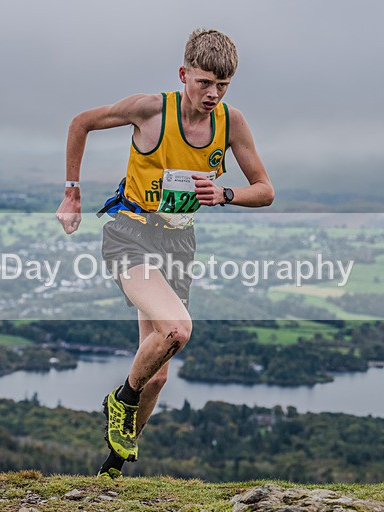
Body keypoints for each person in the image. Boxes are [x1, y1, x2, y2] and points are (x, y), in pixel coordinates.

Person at [55, 29, 274, 479]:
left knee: (157, 374)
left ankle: (112, 469)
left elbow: (265, 190)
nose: (213, 94)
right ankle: (121, 401)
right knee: (177, 330)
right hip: (130, 235)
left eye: (223, 86)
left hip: (178, 244)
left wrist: (226, 193)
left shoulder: (231, 124)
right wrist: (72, 194)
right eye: (205, 83)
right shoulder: (151, 110)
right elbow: (81, 122)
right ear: (184, 74)